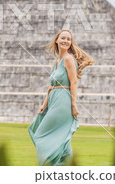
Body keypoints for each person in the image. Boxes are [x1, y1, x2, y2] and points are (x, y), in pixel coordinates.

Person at [28, 29, 94, 166]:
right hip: (53, 100)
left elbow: (74, 82)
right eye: (63, 38)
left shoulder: (69, 59)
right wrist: (44, 104)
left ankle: (49, 166)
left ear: (70, 43)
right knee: (60, 141)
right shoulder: (56, 62)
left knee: (40, 134)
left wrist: (73, 105)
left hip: (63, 101)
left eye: (68, 39)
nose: (65, 41)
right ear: (56, 40)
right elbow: (51, 87)